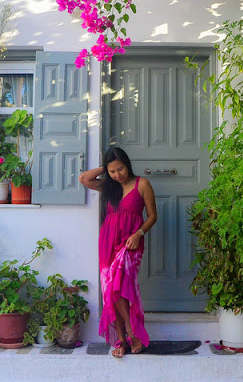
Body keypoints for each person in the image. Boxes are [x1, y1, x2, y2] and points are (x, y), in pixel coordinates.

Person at [79, 147, 157, 358]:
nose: (117, 175)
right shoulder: (109, 186)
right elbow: (84, 179)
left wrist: (139, 234)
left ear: (127, 164)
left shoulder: (143, 184)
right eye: (112, 171)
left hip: (131, 242)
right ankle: (122, 338)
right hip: (107, 242)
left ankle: (131, 332)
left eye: (120, 169)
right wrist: (106, 167)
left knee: (119, 282)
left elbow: (152, 216)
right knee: (110, 290)